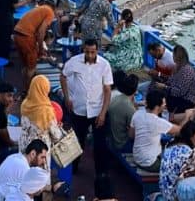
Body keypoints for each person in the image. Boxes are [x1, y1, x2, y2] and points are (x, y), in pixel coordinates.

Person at [60, 37, 113, 172]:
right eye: (87, 52)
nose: (90, 55)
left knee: (100, 145)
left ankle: (101, 173)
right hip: (79, 109)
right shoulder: (74, 62)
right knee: (77, 141)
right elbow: (63, 76)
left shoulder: (105, 65)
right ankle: (74, 169)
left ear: (97, 51)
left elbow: (107, 90)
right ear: (84, 50)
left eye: (93, 52)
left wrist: (102, 113)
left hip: (97, 111)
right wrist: (67, 97)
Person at [159, 121, 195, 201]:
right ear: (190, 137)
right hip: (175, 196)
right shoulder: (188, 153)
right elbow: (194, 181)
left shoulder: (171, 143)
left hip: (165, 191)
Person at [130, 88, 180, 171]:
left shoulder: (137, 113)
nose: (165, 105)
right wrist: (188, 116)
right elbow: (180, 130)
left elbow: (131, 135)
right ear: (157, 107)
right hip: (149, 163)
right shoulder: (158, 122)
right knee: (177, 164)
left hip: (137, 157)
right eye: (164, 104)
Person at [12, 4, 55, 89]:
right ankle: (29, 92)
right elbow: (41, 32)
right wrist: (41, 49)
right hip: (26, 36)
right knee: (31, 67)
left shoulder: (40, 9)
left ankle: (24, 88)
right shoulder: (50, 12)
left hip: (17, 33)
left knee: (26, 65)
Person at [18, 74, 65, 152]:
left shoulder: (25, 104)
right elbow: (56, 136)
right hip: (40, 151)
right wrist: (58, 127)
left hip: (25, 145)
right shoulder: (46, 110)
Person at [106, 71, 139, 153]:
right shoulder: (130, 109)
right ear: (135, 90)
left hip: (112, 140)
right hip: (122, 145)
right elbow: (133, 135)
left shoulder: (116, 98)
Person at [165, 45, 195, 114]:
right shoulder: (178, 68)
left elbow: (180, 92)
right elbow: (171, 81)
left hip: (187, 100)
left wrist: (165, 87)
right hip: (179, 98)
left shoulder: (187, 70)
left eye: (173, 55)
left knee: (163, 97)